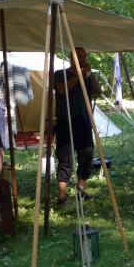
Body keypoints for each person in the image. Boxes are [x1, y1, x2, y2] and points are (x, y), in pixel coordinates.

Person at [54, 47, 102, 206]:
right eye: (78, 56)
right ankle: (62, 196)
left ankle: (81, 191)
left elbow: (98, 91)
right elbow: (62, 90)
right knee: (65, 158)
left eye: (84, 56)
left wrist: (90, 74)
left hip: (83, 121)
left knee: (86, 156)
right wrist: (78, 75)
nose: (81, 59)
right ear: (71, 57)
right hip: (65, 121)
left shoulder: (87, 76)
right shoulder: (60, 74)